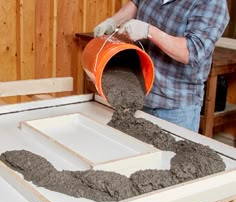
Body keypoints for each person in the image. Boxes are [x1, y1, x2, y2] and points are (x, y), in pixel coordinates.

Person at [93, 0, 229, 132]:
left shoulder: (212, 3)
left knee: (172, 154)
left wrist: (149, 31)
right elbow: (137, 2)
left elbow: (191, 51)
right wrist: (113, 21)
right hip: (139, 93)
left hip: (174, 107)